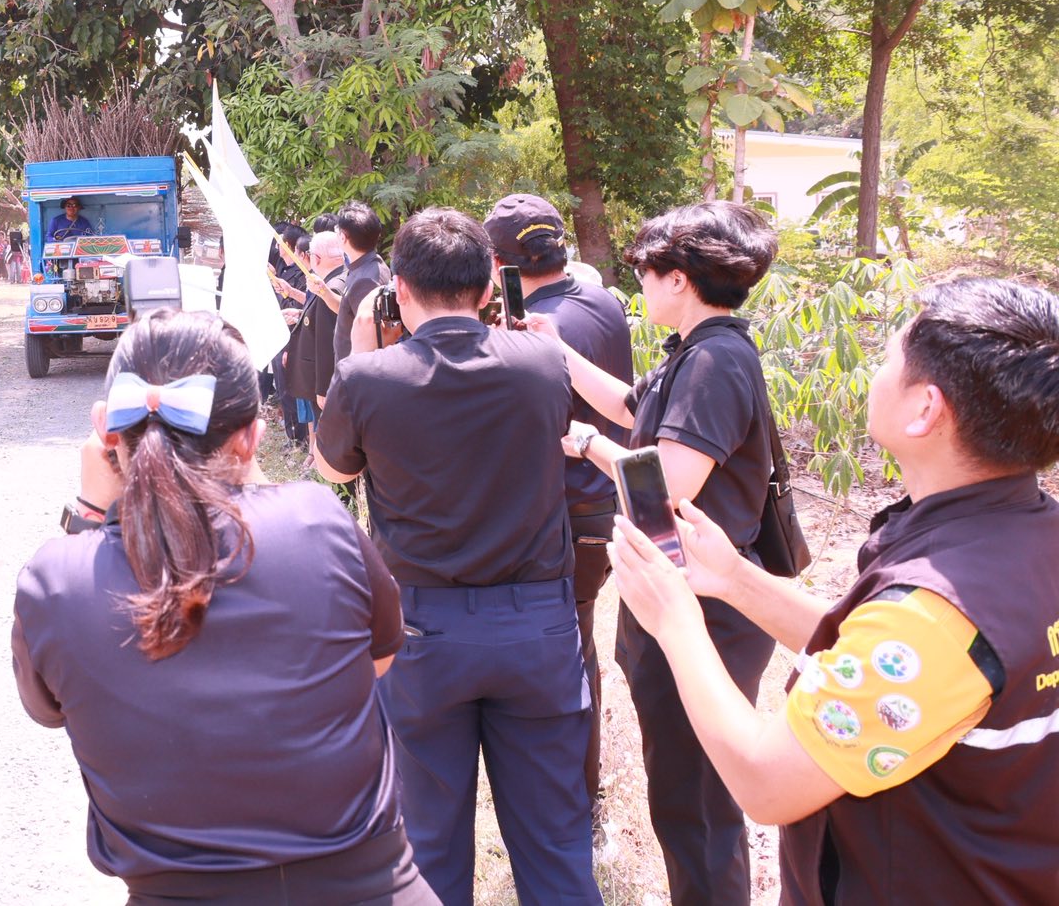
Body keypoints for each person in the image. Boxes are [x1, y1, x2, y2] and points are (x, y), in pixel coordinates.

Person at [608, 277, 1059, 902]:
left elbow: (766, 782)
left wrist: (676, 621)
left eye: (888, 360)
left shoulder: (935, 615)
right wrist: (735, 579)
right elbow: (875, 654)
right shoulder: (1023, 539)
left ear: (925, 409)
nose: (875, 374)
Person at [13, 310, 437, 903]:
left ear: (109, 436)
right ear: (249, 435)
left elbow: (49, 707)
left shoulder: (56, 579)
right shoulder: (320, 523)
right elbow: (376, 662)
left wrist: (90, 513)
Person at [315, 208, 600, 905]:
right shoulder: (542, 361)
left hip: (423, 634)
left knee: (428, 844)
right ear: (488, 286)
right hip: (538, 626)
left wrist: (360, 348)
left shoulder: (366, 379)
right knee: (557, 843)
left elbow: (332, 468)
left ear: (399, 287)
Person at [528, 201, 779, 906]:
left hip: (707, 614)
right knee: (681, 798)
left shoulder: (717, 362)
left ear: (679, 279)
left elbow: (663, 484)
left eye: (646, 268)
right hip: (680, 604)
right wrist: (556, 348)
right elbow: (630, 406)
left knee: (696, 809)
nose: (639, 279)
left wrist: (583, 446)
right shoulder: (697, 352)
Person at [486, 193, 635, 821]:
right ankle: (577, 784)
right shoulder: (601, 301)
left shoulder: (534, 334)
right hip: (605, 506)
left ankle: (580, 792)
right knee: (579, 644)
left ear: (501, 265)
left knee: (569, 655)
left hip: (563, 512)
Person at [280, 230, 345, 452]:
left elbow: (327, 343)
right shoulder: (334, 279)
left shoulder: (331, 287)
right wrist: (300, 314)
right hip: (323, 377)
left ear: (316, 258)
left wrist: (323, 388)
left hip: (324, 379)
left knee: (329, 435)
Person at [330, 201, 392, 375]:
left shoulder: (366, 279)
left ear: (343, 237)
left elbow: (370, 339)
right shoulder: (369, 265)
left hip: (356, 374)